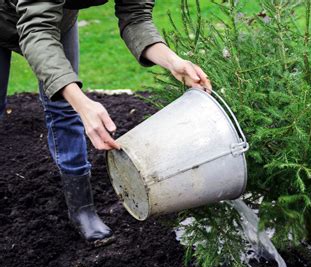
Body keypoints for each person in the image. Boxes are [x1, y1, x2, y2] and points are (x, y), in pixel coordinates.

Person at [0, 0, 212, 241]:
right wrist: (82, 103)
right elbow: (36, 31)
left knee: (64, 107)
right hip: (25, 21)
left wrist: (173, 61)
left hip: (55, 20)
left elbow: (136, 16)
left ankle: (82, 209)